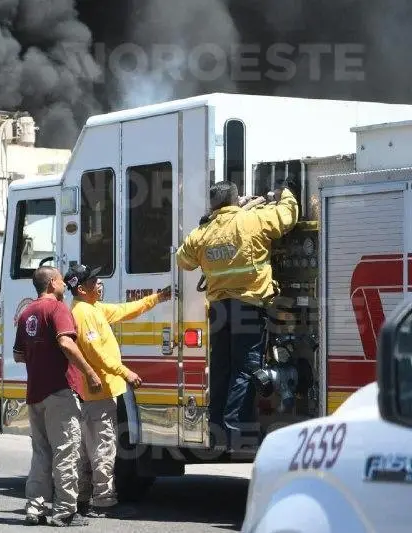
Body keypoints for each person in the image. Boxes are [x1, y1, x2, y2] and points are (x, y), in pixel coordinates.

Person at [176, 181, 298, 451]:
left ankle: (217, 426)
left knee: (220, 369)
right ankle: (235, 431)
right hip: (248, 306)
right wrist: (284, 192)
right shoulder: (252, 220)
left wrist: (205, 223)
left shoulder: (203, 232)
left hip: (219, 310)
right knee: (245, 368)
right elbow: (287, 216)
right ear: (235, 200)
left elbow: (183, 260)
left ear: (213, 204)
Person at [63, 264, 171, 517]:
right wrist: (126, 372)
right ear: (81, 288)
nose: (99, 284)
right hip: (97, 394)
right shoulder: (83, 314)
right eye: (94, 282)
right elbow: (96, 355)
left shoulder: (93, 308)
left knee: (91, 449)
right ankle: (103, 502)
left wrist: (157, 298)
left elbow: (124, 310)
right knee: (102, 449)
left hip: (98, 393)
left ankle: (85, 499)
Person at [13, 266, 102, 527]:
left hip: (35, 394)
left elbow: (19, 354)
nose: (65, 285)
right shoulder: (58, 308)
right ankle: (64, 511)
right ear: (52, 283)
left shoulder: (26, 312)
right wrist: (89, 372)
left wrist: (39, 355)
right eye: (62, 281)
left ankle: (34, 509)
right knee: (66, 450)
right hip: (60, 392)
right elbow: (65, 343)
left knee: (41, 452)